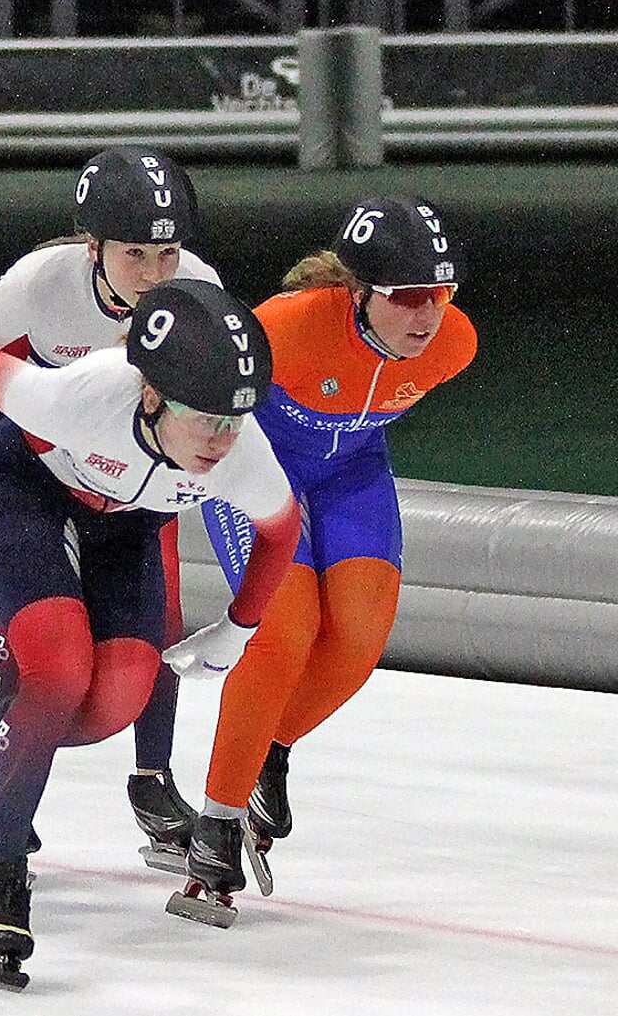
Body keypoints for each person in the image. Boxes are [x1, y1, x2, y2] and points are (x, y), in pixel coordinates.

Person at [0, 277, 299, 980]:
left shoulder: (240, 451)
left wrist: (239, 627)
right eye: (207, 417)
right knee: (60, 671)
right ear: (151, 393)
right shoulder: (85, 394)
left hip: (123, 533)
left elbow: (280, 529)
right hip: (23, 494)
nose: (223, 439)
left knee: (119, 698)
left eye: (237, 419)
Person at [0, 148, 220, 870]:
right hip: (28, 454)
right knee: (52, 649)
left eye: (169, 252)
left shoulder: (199, 290)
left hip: (134, 474)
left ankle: (127, 773)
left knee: (154, 634)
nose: (158, 274)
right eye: (135, 255)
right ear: (90, 248)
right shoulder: (43, 282)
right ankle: (9, 796)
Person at [189, 196, 476, 909]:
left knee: (357, 640)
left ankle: (268, 753)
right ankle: (216, 823)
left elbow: (363, 415)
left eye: (441, 294)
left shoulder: (454, 344)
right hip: (255, 468)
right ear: (357, 292)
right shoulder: (285, 327)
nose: (427, 315)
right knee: (285, 632)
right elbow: (195, 399)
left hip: (351, 470)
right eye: (409, 296)